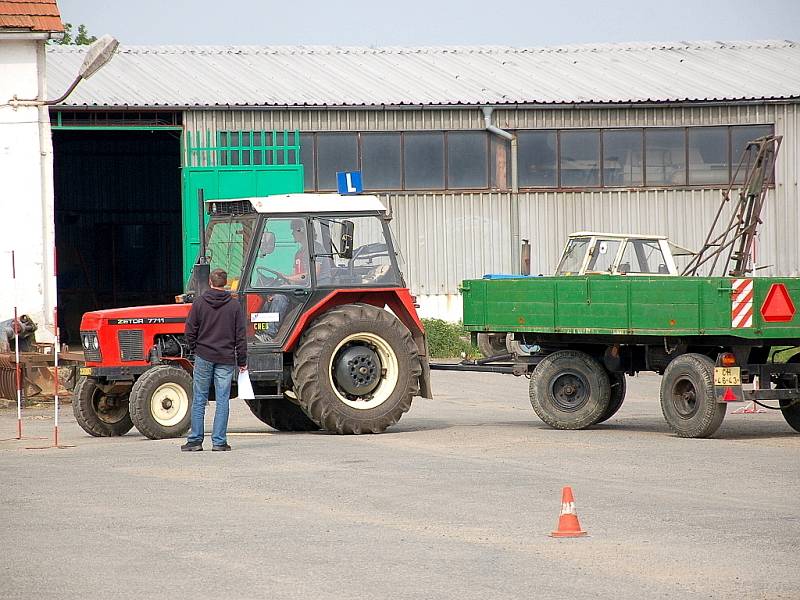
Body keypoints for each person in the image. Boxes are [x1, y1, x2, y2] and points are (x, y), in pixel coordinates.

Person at [181, 268, 247, 452]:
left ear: (210, 282)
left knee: (200, 398)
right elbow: (240, 336)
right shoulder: (234, 306)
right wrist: (242, 361)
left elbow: (190, 330)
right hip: (225, 358)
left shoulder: (200, 303)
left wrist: (196, 348)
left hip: (204, 355)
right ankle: (219, 442)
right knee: (222, 399)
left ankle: (195, 441)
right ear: (225, 283)